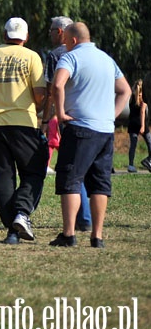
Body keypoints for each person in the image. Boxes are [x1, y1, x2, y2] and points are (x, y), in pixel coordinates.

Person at [50, 22, 130, 249]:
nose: (64, 45)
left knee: (70, 180)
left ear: (73, 40)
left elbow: (57, 85)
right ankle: (97, 236)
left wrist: (61, 112)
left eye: (65, 41)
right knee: (99, 184)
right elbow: (125, 90)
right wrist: (111, 115)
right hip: (105, 130)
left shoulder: (71, 58)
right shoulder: (107, 59)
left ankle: (68, 234)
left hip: (80, 128)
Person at [0, 17, 47, 245]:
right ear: (26, 37)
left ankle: (11, 230)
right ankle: (22, 214)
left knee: (1, 178)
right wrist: (39, 107)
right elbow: (40, 92)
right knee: (34, 171)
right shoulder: (32, 56)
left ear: (4, 35)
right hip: (25, 123)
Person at [42, 15, 92, 230]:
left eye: (52, 30)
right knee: (89, 169)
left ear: (61, 32)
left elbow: (52, 91)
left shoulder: (56, 56)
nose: (50, 34)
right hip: (92, 118)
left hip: (67, 118)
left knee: (72, 168)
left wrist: (46, 120)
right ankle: (89, 216)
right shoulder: (92, 54)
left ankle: (83, 219)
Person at [126, 80, 150, 174]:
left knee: (133, 145)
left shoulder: (132, 98)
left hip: (132, 124)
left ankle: (131, 165)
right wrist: (143, 126)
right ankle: (149, 160)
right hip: (141, 123)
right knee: (150, 142)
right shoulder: (143, 98)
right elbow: (142, 112)